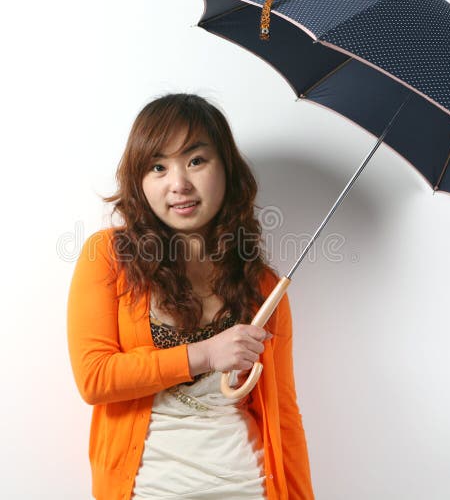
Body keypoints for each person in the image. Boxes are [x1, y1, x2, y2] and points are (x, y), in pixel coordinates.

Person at [67, 93, 314, 499]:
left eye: (196, 160)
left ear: (227, 169)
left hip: (247, 487)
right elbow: (95, 377)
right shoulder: (109, 257)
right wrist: (206, 354)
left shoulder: (264, 287)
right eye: (158, 166)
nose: (179, 184)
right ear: (138, 179)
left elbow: (283, 416)